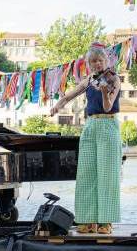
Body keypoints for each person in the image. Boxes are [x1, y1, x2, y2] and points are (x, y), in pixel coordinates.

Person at [49, 42, 122, 234]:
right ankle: (89, 221)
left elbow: (108, 107)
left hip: (108, 125)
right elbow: (68, 97)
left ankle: (105, 222)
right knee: (86, 174)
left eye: (100, 60)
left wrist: (105, 92)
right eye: (93, 61)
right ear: (88, 64)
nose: (97, 64)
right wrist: (58, 106)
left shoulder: (114, 79)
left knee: (107, 175)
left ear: (106, 61)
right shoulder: (89, 80)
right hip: (90, 126)